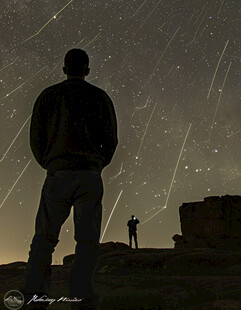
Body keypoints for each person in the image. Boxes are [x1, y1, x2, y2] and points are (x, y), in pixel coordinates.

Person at [19, 48, 118, 310]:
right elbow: (111, 140)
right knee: (87, 240)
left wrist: (51, 163)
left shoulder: (49, 96)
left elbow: (36, 138)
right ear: (87, 70)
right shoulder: (100, 97)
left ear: (64, 69)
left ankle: (34, 296)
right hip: (89, 175)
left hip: (58, 174)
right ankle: (82, 298)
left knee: (44, 238)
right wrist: (96, 164)